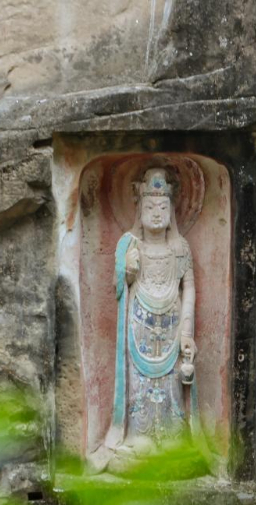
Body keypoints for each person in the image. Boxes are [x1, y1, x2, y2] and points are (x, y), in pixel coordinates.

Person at [95, 168, 197, 473]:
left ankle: (173, 436)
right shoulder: (129, 244)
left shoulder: (180, 248)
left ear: (172, 211)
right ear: (139, 208)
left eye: (163, 207)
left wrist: (187, 332)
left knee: (171, 384)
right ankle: (137, 435)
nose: (156, 213)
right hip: (138, 324)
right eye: (150, 206)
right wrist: (126, 270)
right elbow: (118, 287)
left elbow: (189, 288)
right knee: (139, 382)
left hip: (173, 326)